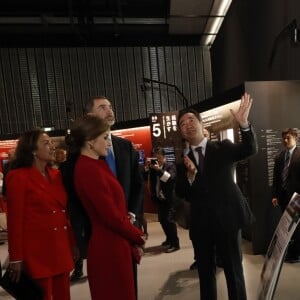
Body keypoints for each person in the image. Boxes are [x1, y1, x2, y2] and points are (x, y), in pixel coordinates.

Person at [175, 92, 258, 300]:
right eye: (182, 124)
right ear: (181, 132)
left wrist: (244, 124)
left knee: (233, 271)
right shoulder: (181, 163)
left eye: (191, 120)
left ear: (203, 125)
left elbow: (250, 148)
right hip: (201, 224)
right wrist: (191, 177)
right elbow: (180, 192)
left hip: (228, 219)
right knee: (205, 273)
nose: (188, 125)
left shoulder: (223, 148)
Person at [69, 114, 145, 300]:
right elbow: (110, 216)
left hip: (114, 244)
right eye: (104, 138)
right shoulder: (88, 170)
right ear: (89, 141)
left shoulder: (95, 165)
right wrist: (138, 235)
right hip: (109, 248)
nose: (109, 143)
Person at [5, 128, 76, 300]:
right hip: (36, 253)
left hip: (60, 249)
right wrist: (16, 258)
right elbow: (14, 220)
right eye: (46, 143)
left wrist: (72, 243)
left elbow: (64, 213)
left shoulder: (56, 174)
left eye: (51, 142)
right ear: (33, 150)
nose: (52, 146)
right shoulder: (17, 177)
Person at [271, 127, 300, 262]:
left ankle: (296, 254)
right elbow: (276, 179)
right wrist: (274, 195)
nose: (285, 140)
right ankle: (290, 251)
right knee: (287, 226)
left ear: (296, 138)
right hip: (283, 197)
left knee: (297, 226)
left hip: (297, 198)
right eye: (284, 138)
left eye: (288, 137)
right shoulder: (279, 157)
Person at [148, 147, 180, 253]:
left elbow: (169, 179)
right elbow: (149, 180)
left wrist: (158, 170)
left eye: (159, 157)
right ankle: (169, 239)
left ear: (164, 157)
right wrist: (147, 168)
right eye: (155, 158)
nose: (157, 160)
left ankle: (175, 244)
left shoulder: (170, 166)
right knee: (162, 220)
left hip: (170, 198)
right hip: (160, 198)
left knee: (170, 221)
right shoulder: (153, 168)